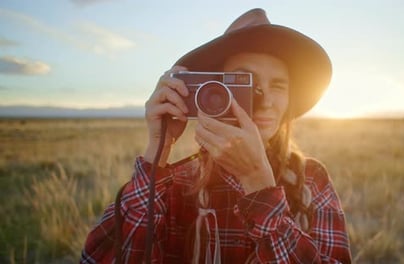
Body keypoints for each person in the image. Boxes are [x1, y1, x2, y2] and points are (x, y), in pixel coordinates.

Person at [80, 8, 351, 264]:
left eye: (278, 86)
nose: (266, 100)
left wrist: (259, 184)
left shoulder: (311, 179)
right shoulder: (176, 185)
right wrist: (158, 148)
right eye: (248, 84)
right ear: (213, 93)